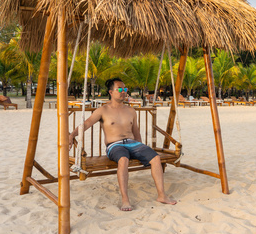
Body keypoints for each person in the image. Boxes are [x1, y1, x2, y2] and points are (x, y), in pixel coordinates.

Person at [69, 77, 176, 211]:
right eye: (119, 89)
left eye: (125, 89)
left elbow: (136, 131)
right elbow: (86, 124)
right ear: (110, 92)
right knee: (123, 159)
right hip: (115, 145)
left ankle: (162, 195)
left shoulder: (130, 110)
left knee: (156, 158)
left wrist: (142, 148)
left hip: (133, 144)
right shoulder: (103, 110)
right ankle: (125, 199)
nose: (123, 92)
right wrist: (72, 135)